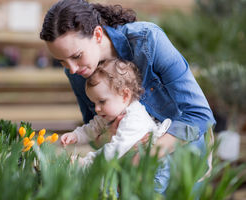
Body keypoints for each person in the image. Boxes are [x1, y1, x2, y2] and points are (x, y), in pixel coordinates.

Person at [40, 0, 215, 193]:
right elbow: (96, 129)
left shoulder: (149, 41)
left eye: (76, 56)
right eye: (62, 62)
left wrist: (146, 152)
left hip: (182, 151)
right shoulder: (79, 74)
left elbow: (200, 116)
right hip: (126, 162)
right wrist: (108, 139)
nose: (72, 69)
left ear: (97, 34)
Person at [60, 59, 172, 166]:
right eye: (94, 103)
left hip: (154, 169)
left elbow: (115, 150)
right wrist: (76, 135)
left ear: (125, 95)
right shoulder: (111, 113)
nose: (97, 108)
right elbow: (93, 127)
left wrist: (87, 162)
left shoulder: (134, 118)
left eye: (102, 101)